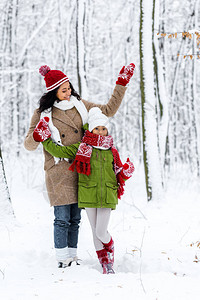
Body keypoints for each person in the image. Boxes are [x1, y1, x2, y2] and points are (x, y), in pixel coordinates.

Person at [24, 63, 135, 268]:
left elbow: (109, 110)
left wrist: (121, 84)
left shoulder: (80, 105)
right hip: (58, 170)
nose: (68, 93)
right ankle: (61, 259)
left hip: (83, 170)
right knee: (62, 218)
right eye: (63, 90)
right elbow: (28, 144)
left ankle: (72, 257)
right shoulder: (42, 113)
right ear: (53, 92)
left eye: (69, 88)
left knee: (75, 218)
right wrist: (38, 136)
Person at [34, 107, 135, 274]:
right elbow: (59, 151)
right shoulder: (82, 148)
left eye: (103, 128)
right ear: (90, 129)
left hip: (107, 195)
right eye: (97, 128)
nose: (101, 132)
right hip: (88, 195)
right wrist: (45, 140)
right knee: (95, 233)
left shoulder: (112, 151)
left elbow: (118, 173)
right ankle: (105, 264)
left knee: (102, 231)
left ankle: (110, 246)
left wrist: (126, 172)